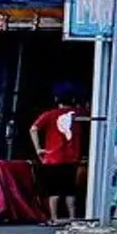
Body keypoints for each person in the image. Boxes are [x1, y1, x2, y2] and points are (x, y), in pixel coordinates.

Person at [30, 86, 86, 222]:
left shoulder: (49, 115)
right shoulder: (79, 113)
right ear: (73, 99)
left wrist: (38, 149)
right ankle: (72, 217)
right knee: (70, 190)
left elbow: (33, 128)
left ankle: (54, 218)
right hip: (72, 158)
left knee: (53, 190)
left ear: (56, 99)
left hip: (53, 158)